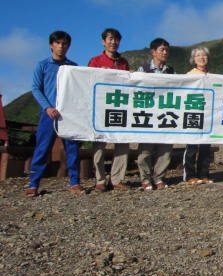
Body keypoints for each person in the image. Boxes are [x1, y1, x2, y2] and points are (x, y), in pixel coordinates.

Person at [26, 31, 84, 197]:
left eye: (64, 43)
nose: (61, 46)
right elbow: (36, 88)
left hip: (68, 115)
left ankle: (74, 182)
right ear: (51, 45)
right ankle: (33, 184)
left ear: (68, 46)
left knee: (72, 149)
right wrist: (47, 107)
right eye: (58, 43)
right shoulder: (42, 65)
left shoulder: (73, 67)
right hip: (48, 114)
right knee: (42, 149)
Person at [88, 28, 130, 192]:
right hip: (100, 109)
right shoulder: (96, 61)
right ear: (103, 41)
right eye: (110, 39)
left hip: (120, 107)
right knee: (99, 144)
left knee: (122, 143)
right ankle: (100, 179)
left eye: (116, 39)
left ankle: (117, 179)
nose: (113, 42)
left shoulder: (123, 62)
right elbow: (88, 81)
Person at [136, 38, 175, 190]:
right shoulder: (143, 69)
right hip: (148, 113)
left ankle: (159, 178)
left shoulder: (171, 71)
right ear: (153, 52)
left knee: (165, 148)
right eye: (161, 50)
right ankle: (145, 178)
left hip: (166, 113)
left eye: (166, 50)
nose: (165, 53)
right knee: (145, 149)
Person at [183, 47, 214, 184]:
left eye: (204, 55)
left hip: (208, 114)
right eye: (198, 55)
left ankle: (204, 174)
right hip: (193, 112)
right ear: (193, 59)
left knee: (206, 146)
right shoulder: (189, 75)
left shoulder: (212, 76)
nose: (202, 58)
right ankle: (190, 175)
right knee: (192, 146)